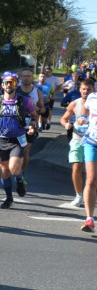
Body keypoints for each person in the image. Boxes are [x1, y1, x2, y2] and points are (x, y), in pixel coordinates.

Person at [0, 71, 38, 209]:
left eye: (12, 82)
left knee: (14, 168)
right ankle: (9, 198)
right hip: (1, 139)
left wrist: (32, 126)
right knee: (4, 171)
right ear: (2, 85)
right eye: (6, 82)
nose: (9, 85)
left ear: (16, 85)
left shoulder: (24, 101)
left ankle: (19, 180)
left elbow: (34, 115)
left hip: (18, 139)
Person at [61, 78, 93, 211]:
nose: (86, 91)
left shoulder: (95, 103)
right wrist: (66, 124)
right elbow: (64, 118)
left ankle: (91, 195)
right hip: (77, 138)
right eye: (83, 89)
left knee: (92, 172)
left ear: (94, 90)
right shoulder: (75, 103)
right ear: (79, 89)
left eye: (89, 89)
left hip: (93, 140)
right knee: (76, 166)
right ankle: (79, 195)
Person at [17, 68, 43, 176]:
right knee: (15, 149)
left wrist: (37, 109)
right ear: (21, 77)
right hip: (16, 123)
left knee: (25, 150)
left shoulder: (37, 92)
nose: (26, 78)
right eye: (24, 76)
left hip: (30, 124)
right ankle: (14, 170)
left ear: (32, 78)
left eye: (29, 76)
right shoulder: (15, 89)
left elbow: (43, 110)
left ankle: (22, 174)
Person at [80, 80, 97, 232]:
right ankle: (89, 219)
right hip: (92, 142)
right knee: (91, 180)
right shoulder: (92, 97)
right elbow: (85, 110)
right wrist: (83, 118)